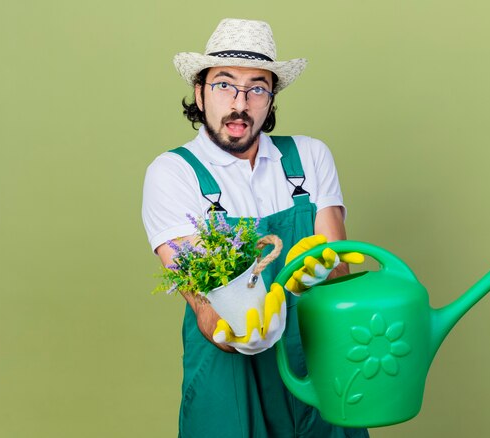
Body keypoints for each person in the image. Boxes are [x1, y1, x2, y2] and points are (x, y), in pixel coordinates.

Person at [142, 18, 369, 437]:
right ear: (199, 91)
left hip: (318, 365)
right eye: (224, 85)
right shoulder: (173, 173)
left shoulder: (309, 158)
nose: (240, 103)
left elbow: (336, 269)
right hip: (229, 376)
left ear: (271, 97)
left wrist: (320, 274)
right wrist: (238, 335)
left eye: (257, 88)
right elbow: (202, 301)